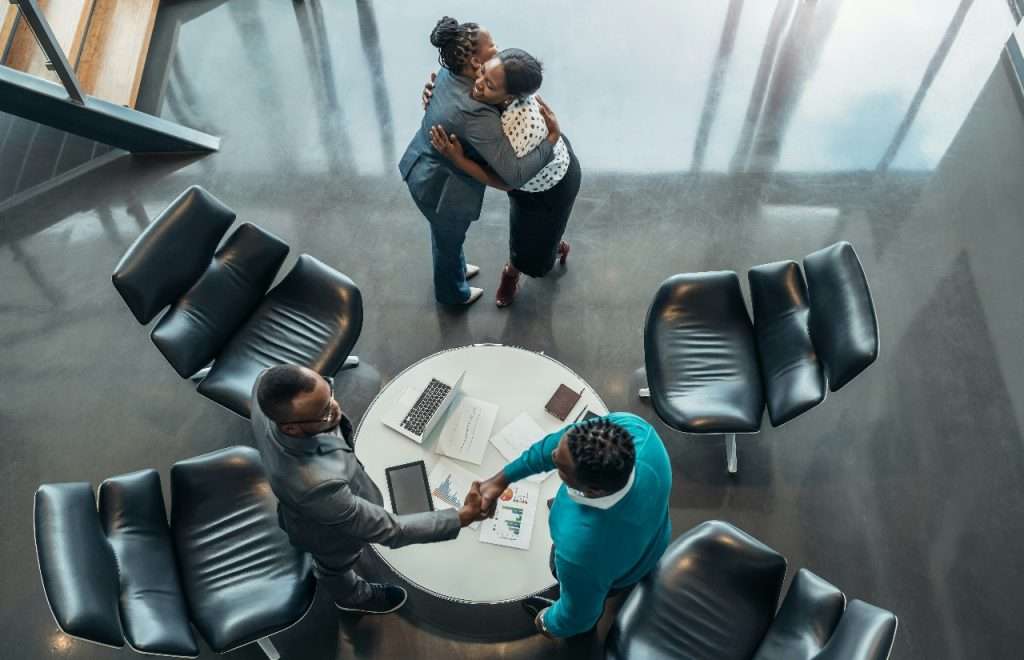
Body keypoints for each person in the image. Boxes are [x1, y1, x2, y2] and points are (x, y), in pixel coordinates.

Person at [250, 365, 484, 615]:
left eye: (329, 393)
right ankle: (353, 598)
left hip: (310, 498)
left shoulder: (266, 382)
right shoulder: (317, 487)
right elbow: (392, 530)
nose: (336, 408)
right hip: (327, 532)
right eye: (324, 412)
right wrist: (460, 518)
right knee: (334, 566)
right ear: (291, 428)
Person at [399, 17, 558, 305]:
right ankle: (452, 294)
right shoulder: (476, 113)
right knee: (448, 243)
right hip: (441, 190)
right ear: (475, 62)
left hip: (421, 165)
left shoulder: (449, 71)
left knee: (447, 238)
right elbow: (514, 175)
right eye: (493, 46)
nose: (498, 50)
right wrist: (551, 141)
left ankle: (457, 269)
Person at [478, 414, 672, 638]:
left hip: (615, 574)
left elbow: (578, 616)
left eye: (561, 468)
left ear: (593, 490)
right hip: (653, 538)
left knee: (582, 601)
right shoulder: (638, 431)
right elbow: (556, 445)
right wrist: (502, 479)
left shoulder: (580, 549)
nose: (552, 455)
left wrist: (546, 622)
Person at [430, 48, 581, 307]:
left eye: (489, 85)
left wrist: (459, 160)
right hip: (539, 174)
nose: (478, 83)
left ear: (509, 97)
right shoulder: (503, 79)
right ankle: (548, 247)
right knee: (527, 234)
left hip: (549, 189)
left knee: (533, 254)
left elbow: (508, 182)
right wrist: (434, 92)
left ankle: (518, 268)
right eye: (482, 71)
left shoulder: (521, 129)